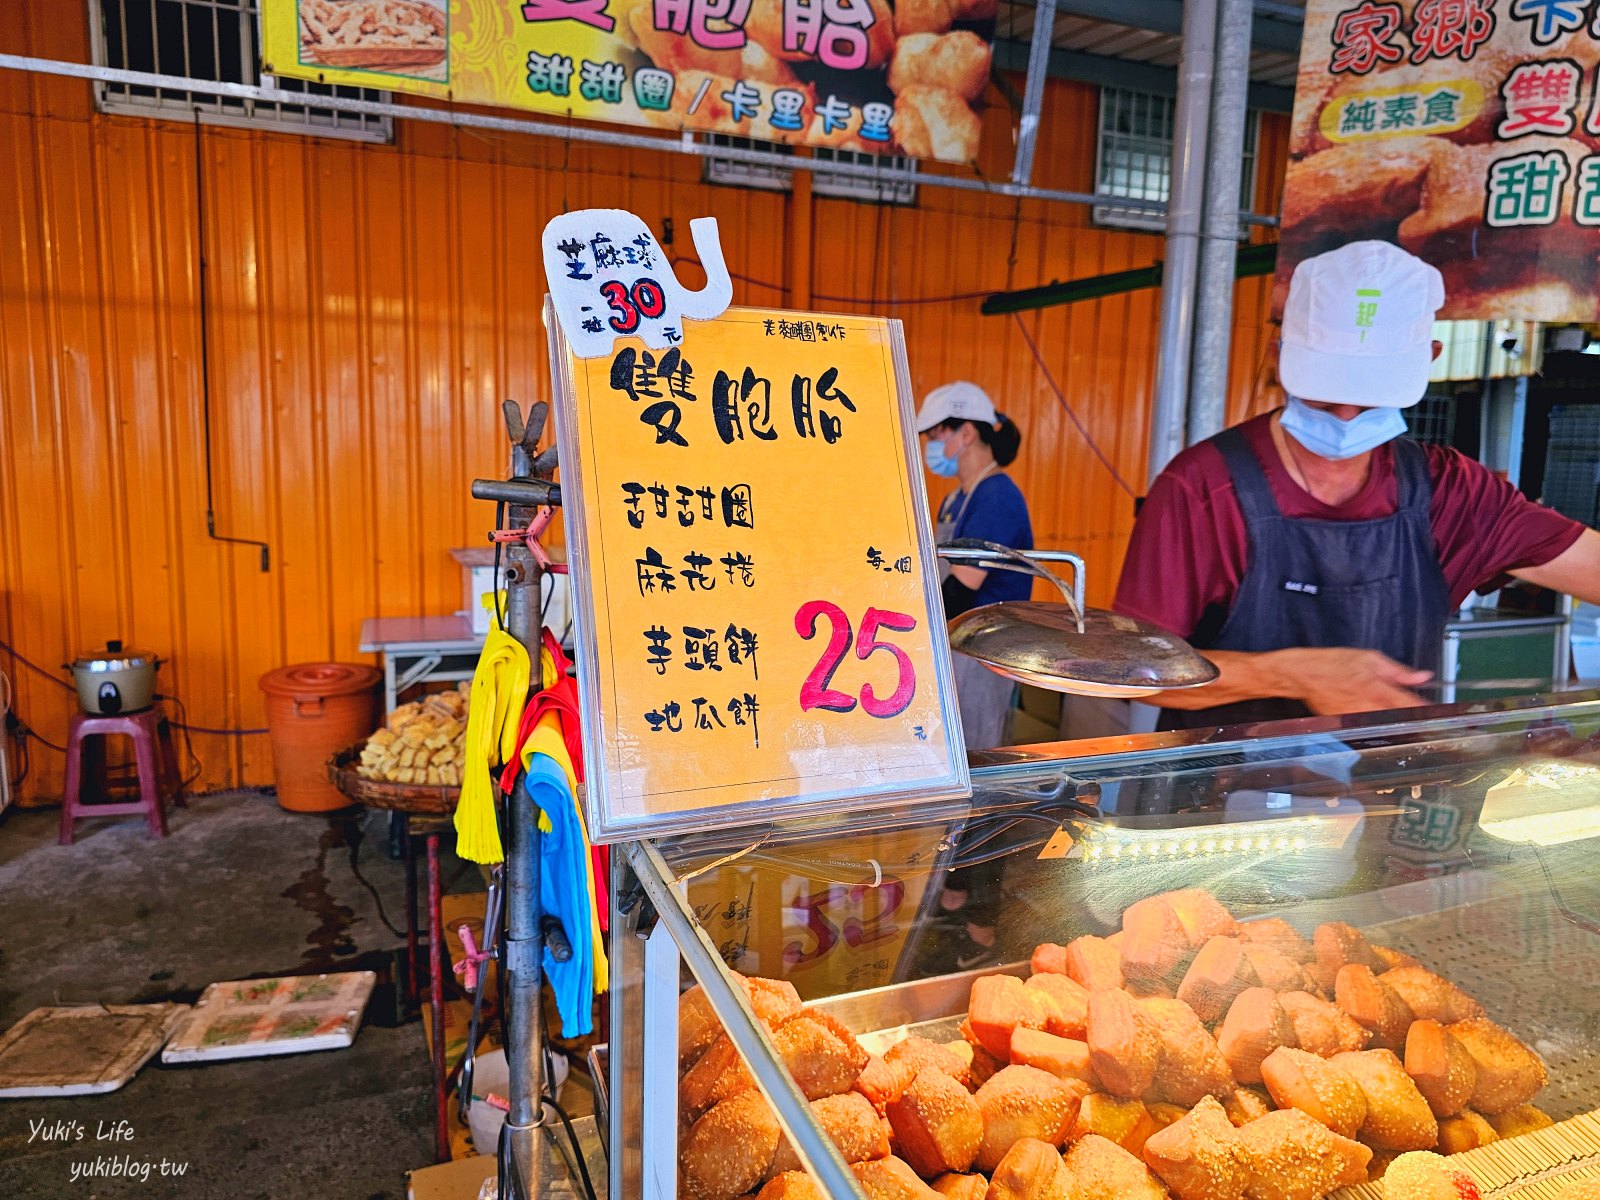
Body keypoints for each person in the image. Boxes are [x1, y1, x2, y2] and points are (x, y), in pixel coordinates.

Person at [1116, 240, 1600, 727]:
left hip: (1393, 789)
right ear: (1278, 355)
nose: (1347, 416)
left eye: (1371, 399)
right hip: (1214, 791)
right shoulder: (1203, 489)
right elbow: (1137, 668)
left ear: (1430, 357)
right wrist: (1289, 675)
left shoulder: (1453, 493)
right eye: (1324, 396)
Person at [916, 381, 1033, 750]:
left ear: (966, 432)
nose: (931, 448)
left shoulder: (996, 496)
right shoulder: (956, 498)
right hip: (954, 642)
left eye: (936, 435)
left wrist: (914, 629)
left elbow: (961, 589)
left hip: (982, 650)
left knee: (972, 756)